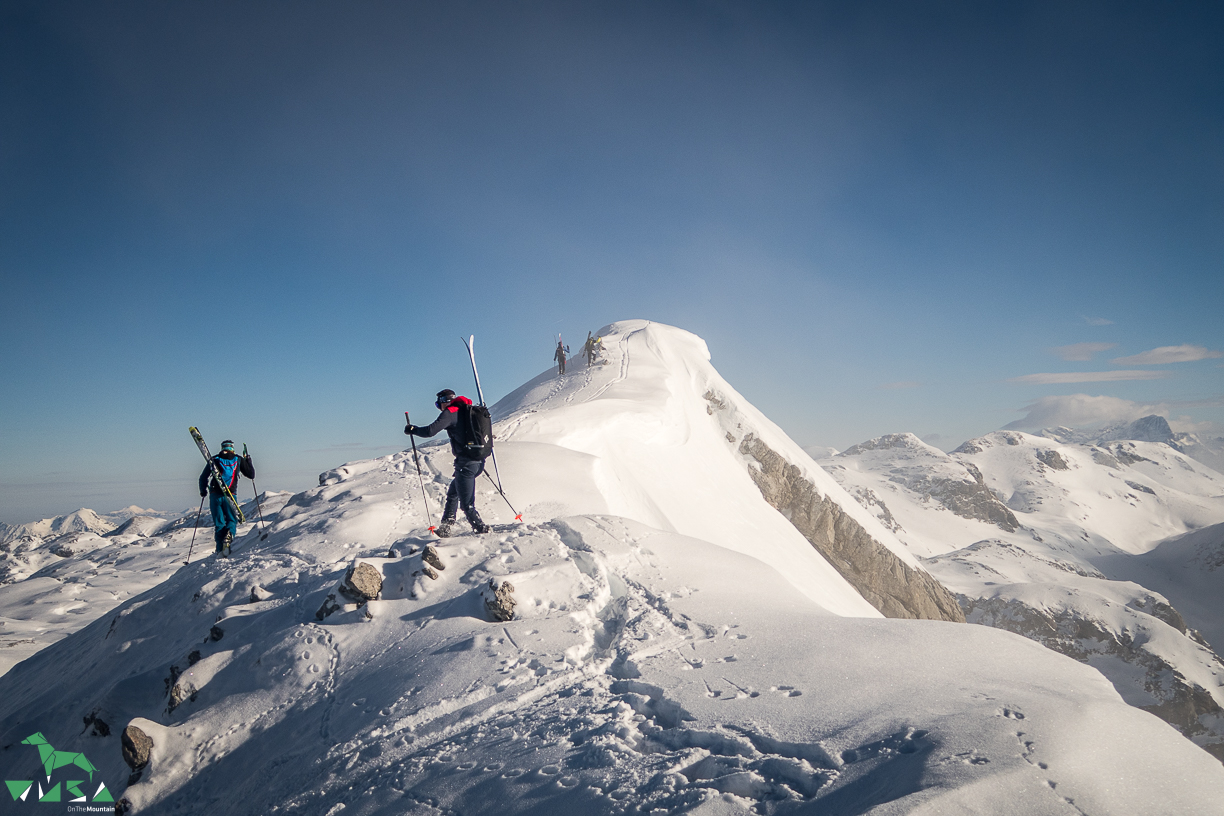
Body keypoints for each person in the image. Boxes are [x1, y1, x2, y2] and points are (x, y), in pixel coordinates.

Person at [405, 389, 491, 537]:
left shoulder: (450, 412)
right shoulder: (468, 410)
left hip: (466, 464)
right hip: (478, 462)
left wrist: (413, 429)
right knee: (453, 493)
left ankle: (482, 530)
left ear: (442, 402)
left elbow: (430, 431)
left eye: (438, 404)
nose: (439, 407)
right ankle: (446, 528)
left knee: (467, 504)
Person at [198, 440, 254, 556]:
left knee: (219, 523)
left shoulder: (214, 459)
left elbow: (203, 477)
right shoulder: (238, 459)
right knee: (232, 520)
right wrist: (249, 461)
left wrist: (203, 491)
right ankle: (228, 538)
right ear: (232, 448)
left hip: (215, 494)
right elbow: (251, 475)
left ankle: (219, 550)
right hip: (231, 495)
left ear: (222, 447)